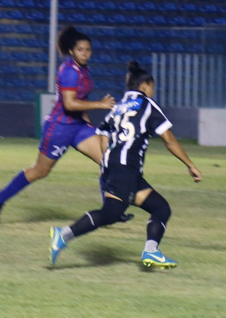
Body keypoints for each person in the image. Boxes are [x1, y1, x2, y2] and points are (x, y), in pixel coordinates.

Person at [49, 60, 202, 269]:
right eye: (152, 87)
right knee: (111, 213)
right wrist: (189, 164)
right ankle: (64, 234)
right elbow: (169, 139)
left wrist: (109, 164)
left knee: (160, 207)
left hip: (117, 166)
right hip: (126, 167)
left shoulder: (118, 107)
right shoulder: (147, 104)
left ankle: (151, 252)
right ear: (145, 85)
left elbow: (102, 138)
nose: (152, 91)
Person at [0, 26, 117, 223]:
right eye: (81, 49)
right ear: (72, 51)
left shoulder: (84, 70)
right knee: (40, 170)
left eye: (88, 49)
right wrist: (100, 104)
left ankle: (109, 212)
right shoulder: (69, 71)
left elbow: (81, 100)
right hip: (59, 128)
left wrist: (89, 126)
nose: (85, 53)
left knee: (108, 162)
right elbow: (69, 103)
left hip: (79, 127)